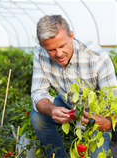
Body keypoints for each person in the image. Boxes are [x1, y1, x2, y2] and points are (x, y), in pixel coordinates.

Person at [30, 15, 117, 158]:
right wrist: (52, 110)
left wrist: (109, 122)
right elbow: (38, 92)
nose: (59, 54)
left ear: (71, 36)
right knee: (37, 116)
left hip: (95, 116)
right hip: (66, 104)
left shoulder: (97, 57)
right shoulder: (40, 54)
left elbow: (114, 99)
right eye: (51, 49)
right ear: (42, 45)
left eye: (62, 46)